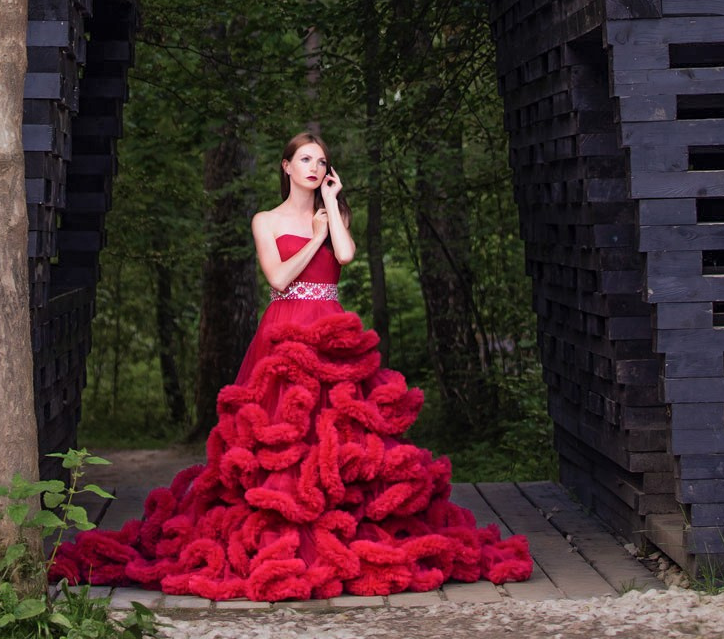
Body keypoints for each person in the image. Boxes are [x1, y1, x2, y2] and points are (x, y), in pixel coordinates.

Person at [49, 132, 532, 600]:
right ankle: (281, 520)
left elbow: (346, 255)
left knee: (340, 433)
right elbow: (279, 279)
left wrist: (332, 208)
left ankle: (341, 521)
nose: (314, 168)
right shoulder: (266, 219)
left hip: (332, 328)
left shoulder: (334, 211)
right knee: (283, 431)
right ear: (286, 166)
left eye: (321, 161)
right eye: (305, 160)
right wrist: (313, 238)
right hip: (285, 329)